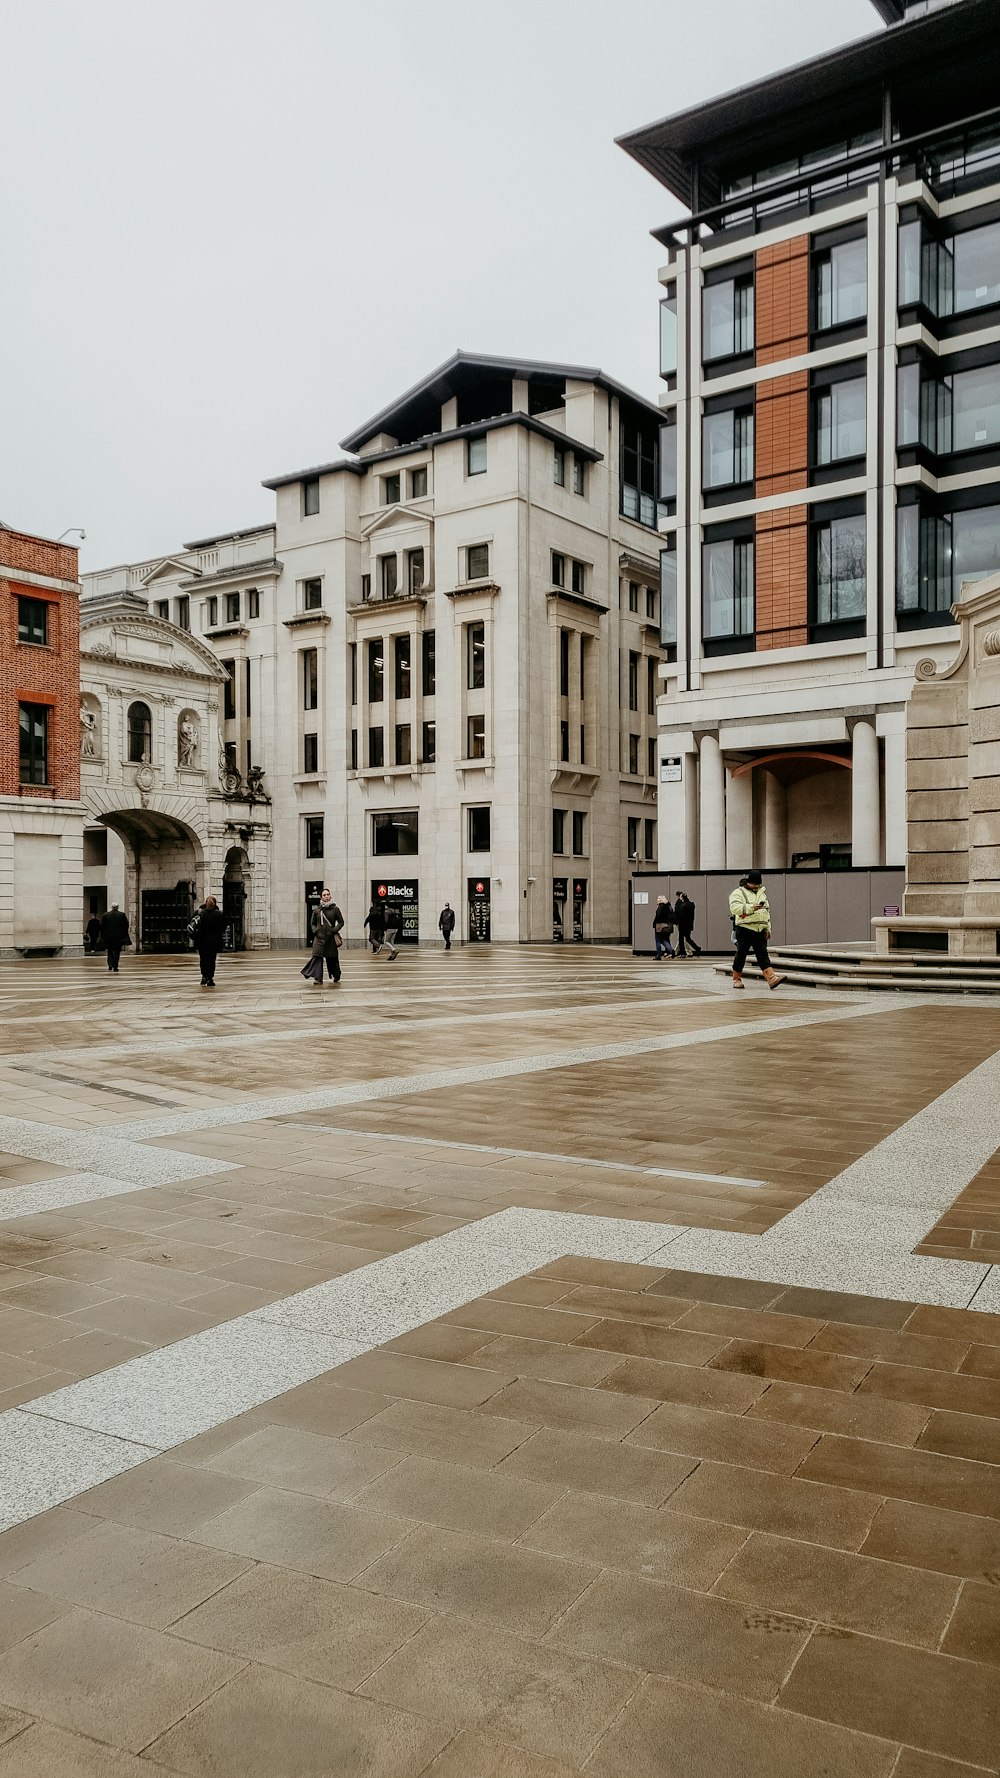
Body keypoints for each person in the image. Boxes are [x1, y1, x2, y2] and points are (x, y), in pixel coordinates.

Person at [729, 871, 785, 991]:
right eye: (754, 884)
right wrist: (751, 908)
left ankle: (771, 978)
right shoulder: (738, 893)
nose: (756, 886)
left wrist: (767, 927)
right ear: (748, 882)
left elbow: (766, 912)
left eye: (758, 884)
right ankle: (736, 979)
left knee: (763, 954)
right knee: (741, 954)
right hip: (744, 928)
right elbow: (734, 908)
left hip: (760, 929)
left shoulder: (762, 893)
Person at [304, 888, 344, 984]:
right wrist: (315, 930)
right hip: (319, 939)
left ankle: (336, 975)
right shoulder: (317, 910)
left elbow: (341, 922)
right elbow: (312, 923)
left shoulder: (335, 909)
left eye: (328, 894)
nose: (326, 896)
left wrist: (334, 930)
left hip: (330, 939)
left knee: (332, 959)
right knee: (317, 957)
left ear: (330, 896)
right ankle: (318, 978)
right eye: (324, 895)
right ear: (321, 897)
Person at [192, 895, 229, 987]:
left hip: (201, 941)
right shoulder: (219, 914)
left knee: (203, 959)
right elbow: (224, 926)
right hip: (213, 942)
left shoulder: (199, 913)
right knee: (211, 960)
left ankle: (204, 976)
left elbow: (192, 924)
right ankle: (210, 978)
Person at [100, 904, 130, 973]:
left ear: (111, 907)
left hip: (108, 937)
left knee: (109, 951)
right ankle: (115, 966)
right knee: (117, 951)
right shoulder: (122, 915)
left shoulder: (106, 915)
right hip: (118, 937)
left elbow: (102, 926)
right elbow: (126, 925)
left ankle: (110, 964)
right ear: (117, 907)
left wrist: (103, 935)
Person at [673, 891, 702, 958]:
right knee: (688, 939)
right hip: (689, 924)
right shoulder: (691, 904)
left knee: (681, 939)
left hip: (682, 924)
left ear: (682, 898)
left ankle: (683, 953)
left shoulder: (682, 906)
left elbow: (679, 915)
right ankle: (697, 948)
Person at [652, 895, 675, 960]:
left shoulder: (660, 907)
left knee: (658, 940)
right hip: (666, 925)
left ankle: (659, 954)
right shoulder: (668, 907)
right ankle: (671, 950)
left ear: (661, 900)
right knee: (664, 939)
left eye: (658, 899)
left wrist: (654, 923)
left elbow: (658, 916)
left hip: (659, 925)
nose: (657, 900)